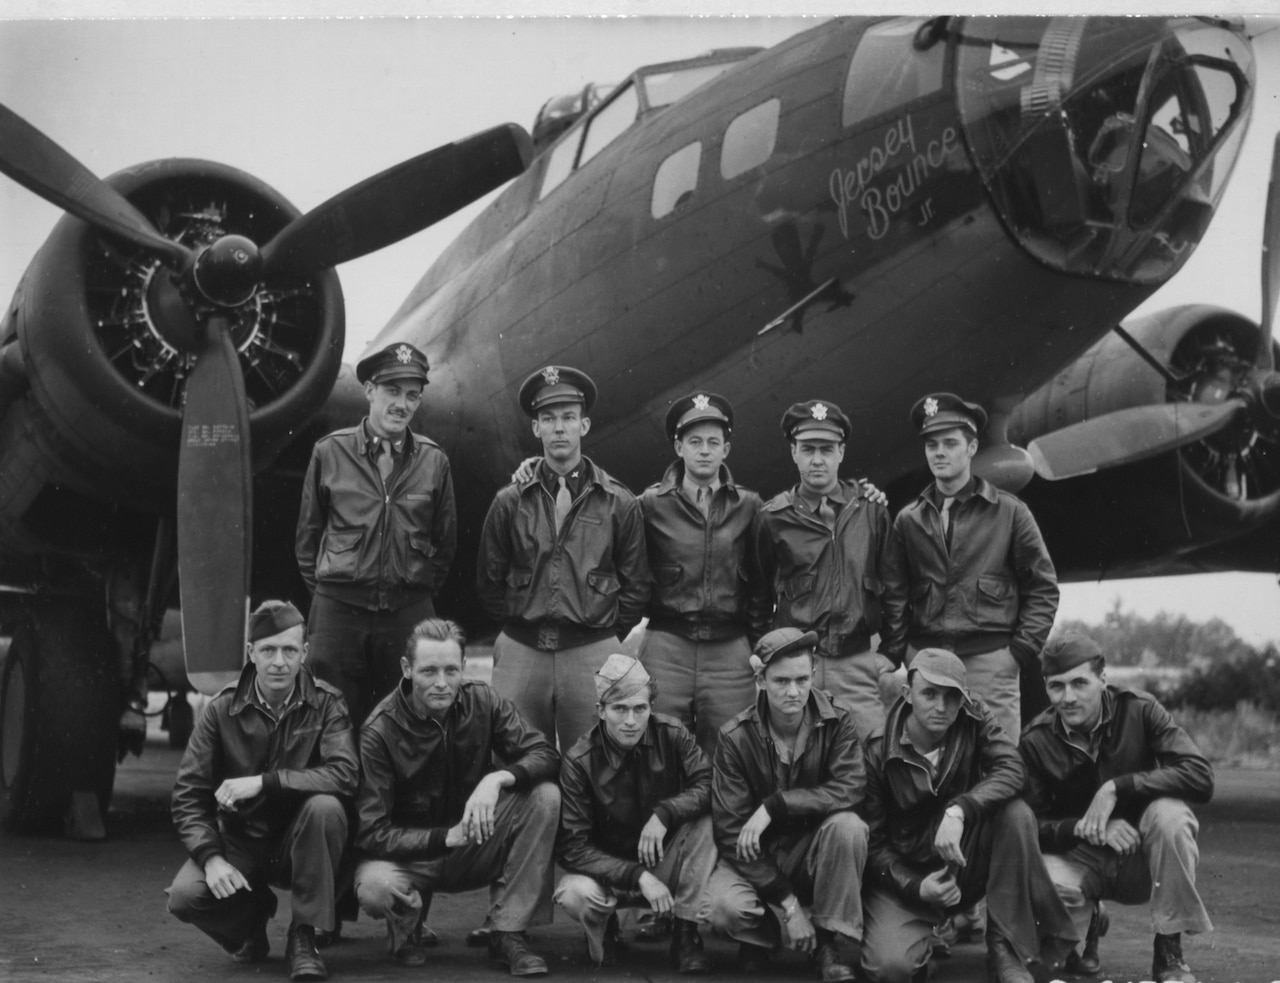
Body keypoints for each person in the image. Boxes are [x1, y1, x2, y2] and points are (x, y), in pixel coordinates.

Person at [353, 618, 561, 976]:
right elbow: (371, 831)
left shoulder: (484, 700)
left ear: (463, 667)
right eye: (428, 670)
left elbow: (545, 753)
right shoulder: (379, 729)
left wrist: (498, 777)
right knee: (375, 886)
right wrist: (442, 837)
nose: (441, 683)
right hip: (415, 858)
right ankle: (408, 925)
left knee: (545, 796)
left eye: (451, 670)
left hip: (474, 842)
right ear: (407, 669)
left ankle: (507, 931)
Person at [167, 600, 359, 982]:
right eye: (268, 650)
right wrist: (211, 858)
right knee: (184, 896)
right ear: (250, 652)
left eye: (290, 650)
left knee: (325, 808)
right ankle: (251, 923)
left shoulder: (326, 703)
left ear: (304, 653)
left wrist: (266, 782)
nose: (279, 662)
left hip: (302, 838)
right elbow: (188, 795)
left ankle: (304, 936)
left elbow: (345, 774)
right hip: (242, 838)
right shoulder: (221, 710)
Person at [859, 649, 1076, 983]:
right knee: (890, 970)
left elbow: (1013, 769)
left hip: (962, 862)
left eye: (952, 696)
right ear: (907, 694)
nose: (941, 707)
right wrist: (917, 887)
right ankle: (928, 938)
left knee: (1015, 814)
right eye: (929, 694)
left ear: (964, 698)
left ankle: (1005, 949)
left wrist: (960, 809)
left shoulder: (974, 718)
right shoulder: (876, 750)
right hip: (907, 877)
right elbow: (873, 846)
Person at [1020, 632, 1214, 983]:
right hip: (1079, 856)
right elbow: (1028, 823)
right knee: (1042, 968)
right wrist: (1084, 826)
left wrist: (1118, 787)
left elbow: (1199, 775)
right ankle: (1085, 927)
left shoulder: (1140, 710)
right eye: (1056, 687)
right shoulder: (1035, 740)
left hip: (1141, 856)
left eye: (1080, 683)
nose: (1069, 697)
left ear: (1103, 679)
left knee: (1171, 815)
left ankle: (1169, 952)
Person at [477, 364, 650, 750]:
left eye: (568, 418)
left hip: (591, 651)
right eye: (548, 418)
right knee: (514, 756)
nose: (559, 428)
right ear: (535, 428)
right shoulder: (509, 500)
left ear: (583, 426)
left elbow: (637, 586)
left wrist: (602, 636)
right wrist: (520, 625)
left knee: (596, 762)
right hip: (523, 649)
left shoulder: (618, 501)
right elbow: (489, 581)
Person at [881, 392, 1058, 745]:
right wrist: (904, 652)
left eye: (950, 443)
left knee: (996, 765)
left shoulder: (1010, 512)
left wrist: (1017, 653)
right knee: (925, 765)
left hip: (991, 664)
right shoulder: (908, 520)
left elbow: (1043, 588)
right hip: (927, 663)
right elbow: (894, 595)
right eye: (932, 445)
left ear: (973, 446)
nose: (940, 452)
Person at [295, 340, 457, 726]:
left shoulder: (434, 462)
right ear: (369, 390)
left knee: (408, 723)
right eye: (392, 391)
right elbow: (307, 540)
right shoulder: (329, 453)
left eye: (412, 395)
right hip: (339, 611)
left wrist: (413, 590)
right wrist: (333, 594)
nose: (402, 404)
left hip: (405, 611)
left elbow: (445, 544)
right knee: (328, 720)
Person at [707, 628, 869, 982]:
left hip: (813, 850)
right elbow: (731, 829)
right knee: (722, 909)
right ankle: (765, 934)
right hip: (757, 855)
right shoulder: (735, 737)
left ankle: (826, 943)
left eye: (801, 679)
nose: (793, 692)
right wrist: (791, 906)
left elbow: (852, 787)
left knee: (849, 827)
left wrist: (778, 804)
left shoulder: (837, 720)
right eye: (780, 681)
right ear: (760, 679)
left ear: (813, 674)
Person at [555, 654, 716, 973]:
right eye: (619, 709)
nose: (631, 720)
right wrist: (635, 875)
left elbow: (709, 783)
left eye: (640, 708)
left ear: (651, 708)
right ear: (601, 711)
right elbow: (573, 847)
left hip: (664, 863)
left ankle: (685, 932)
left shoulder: (673, 733)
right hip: (609, 874)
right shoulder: (578, 760)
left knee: (707, 822)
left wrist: (666, 812)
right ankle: (607, 928)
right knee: (574, 893)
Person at [636, 391, 770, 755]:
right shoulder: (650, 504)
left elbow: (760, 584)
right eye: (695, 442)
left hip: (729, 650)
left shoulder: (749, 505)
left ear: (726, 449)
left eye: (714, 442)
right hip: (667, 645)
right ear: (678, 447)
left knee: (732, 749)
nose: (705, 451)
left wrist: (757, 645)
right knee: (659, 747)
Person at [757, 399, 893, 739]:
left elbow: (896, 587)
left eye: (827, 449)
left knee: (872, 755)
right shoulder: (773, 518)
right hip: (794, 663)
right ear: (794, 453)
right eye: (808, 449)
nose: (817, 459)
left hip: (857, 660)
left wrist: (892, 651)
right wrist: (766, 654)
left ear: (841, 452)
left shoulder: (870, 510)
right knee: (790, 757)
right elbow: (756, 597)